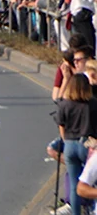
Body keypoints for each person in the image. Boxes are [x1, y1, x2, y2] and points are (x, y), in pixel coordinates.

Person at [58, 72, 97, 215]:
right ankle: (92, 209)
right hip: (86, 143)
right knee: (90, 180)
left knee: (75, 185)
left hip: (69, 144)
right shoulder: (92, 103)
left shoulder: (64, 104)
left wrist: (65, 140)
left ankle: (76, 213)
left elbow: (61, 125)